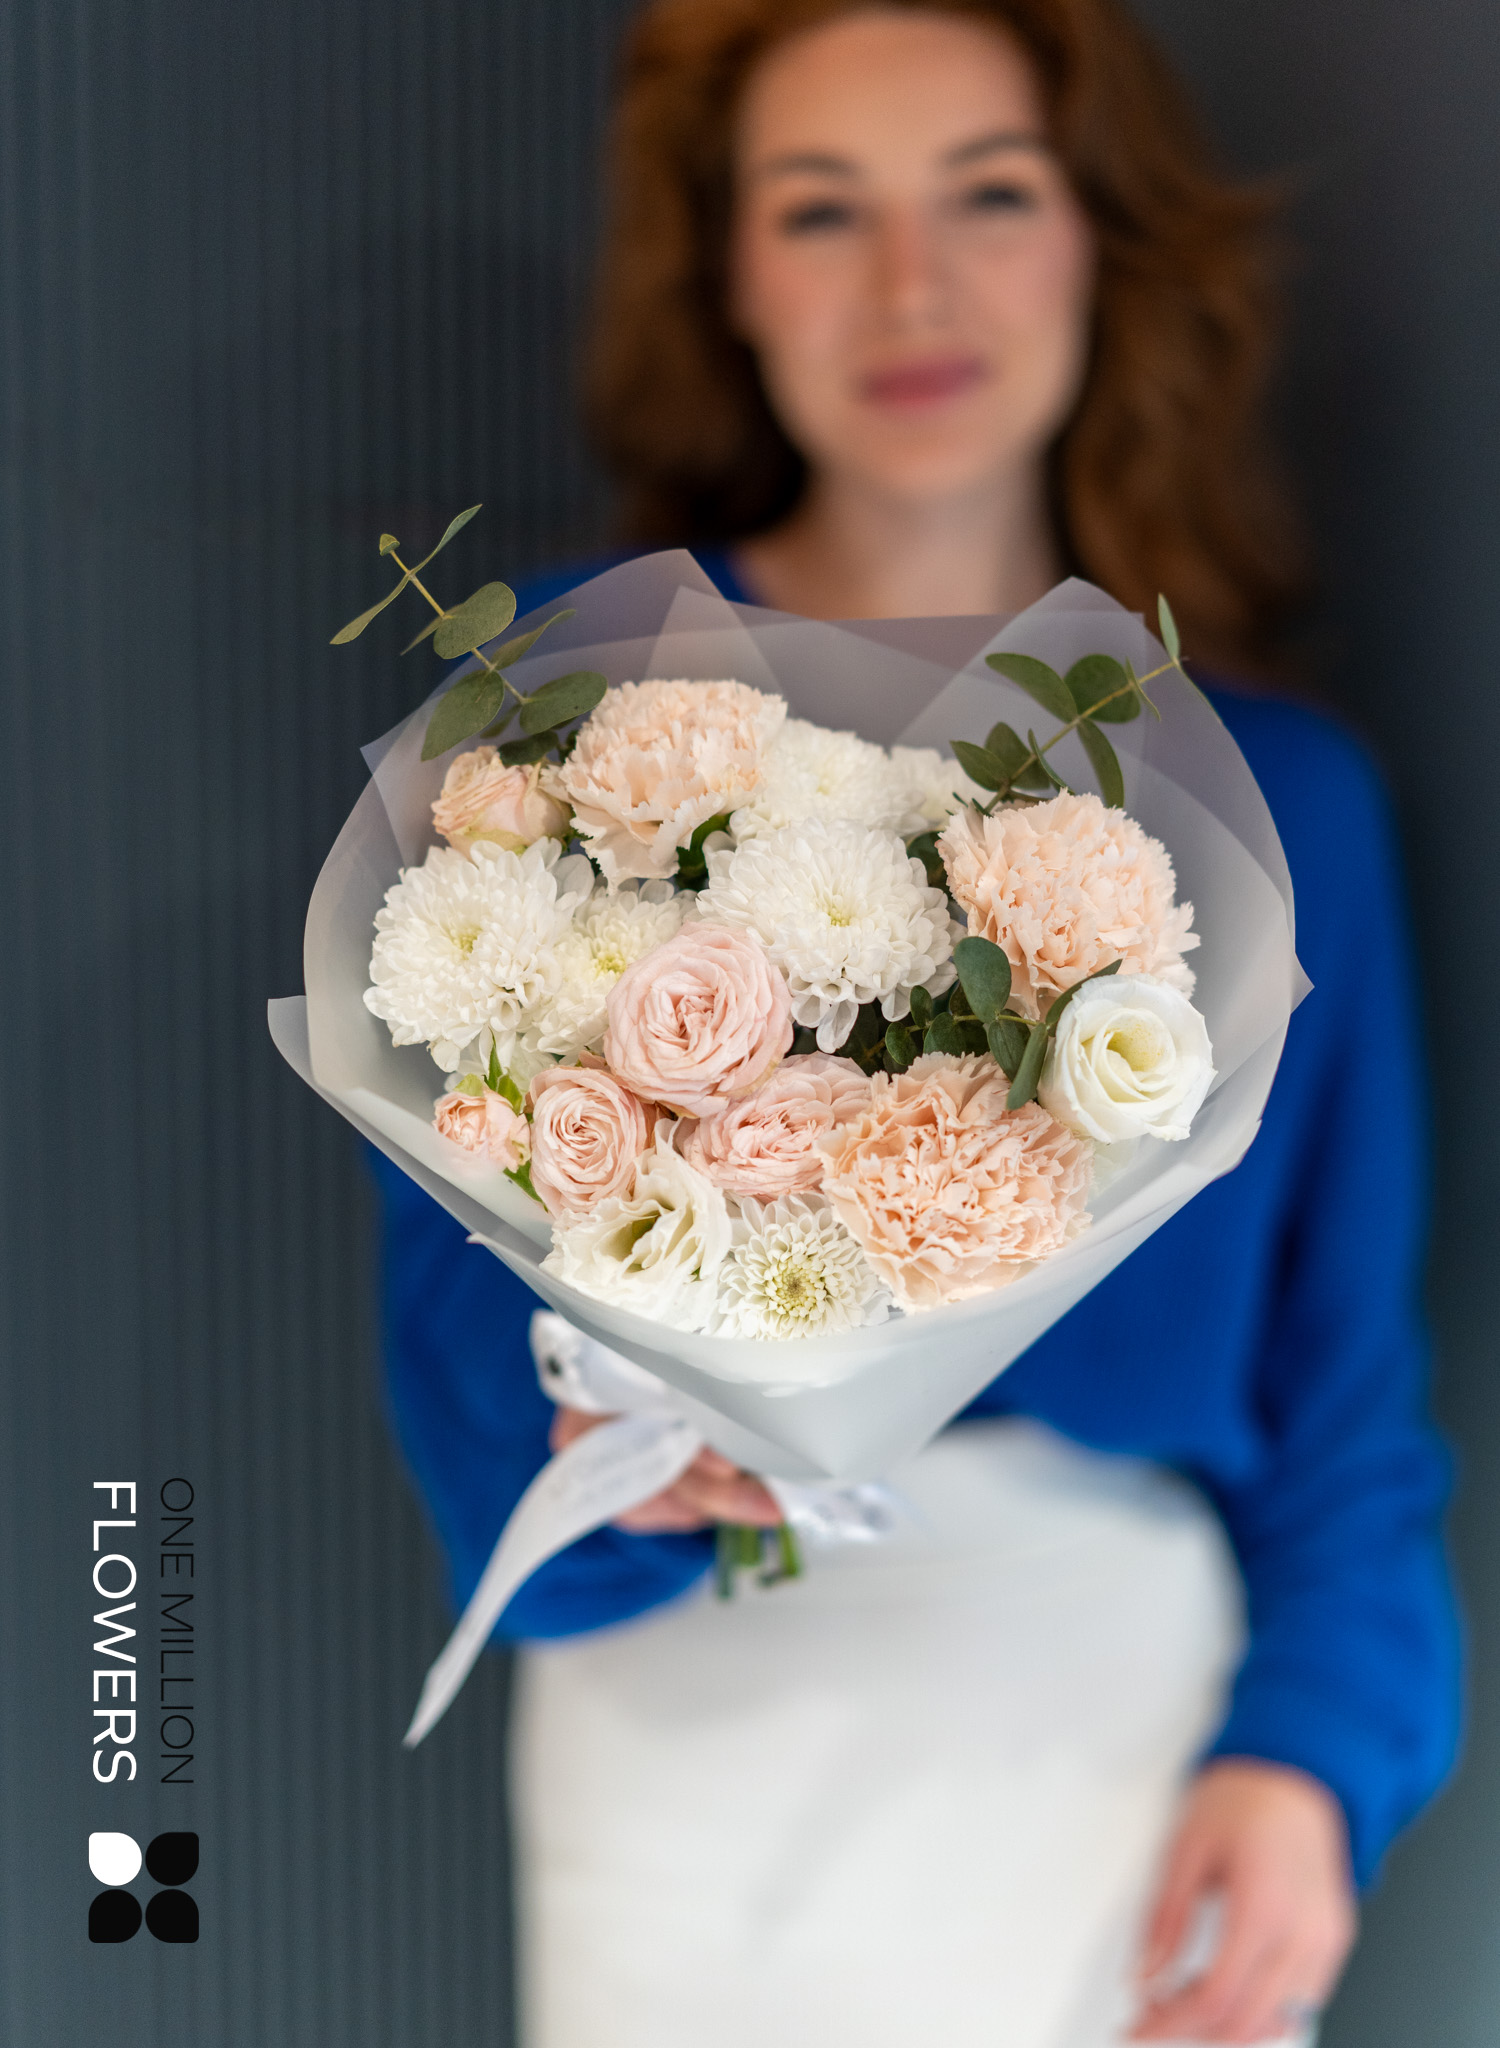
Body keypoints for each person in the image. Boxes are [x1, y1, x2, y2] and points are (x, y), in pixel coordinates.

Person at [371, 4, 1460, 2044]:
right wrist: (601, 1447)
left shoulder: (1285, 803)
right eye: (821, 209)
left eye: (989, 194)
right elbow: (451, 1325)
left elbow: (1345, 1399)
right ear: (727, 274)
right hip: (684, 1747)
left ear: (1097, 236)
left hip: (1120, 1744)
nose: (912, 285)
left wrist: (1318, 1756)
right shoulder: (555, 728)